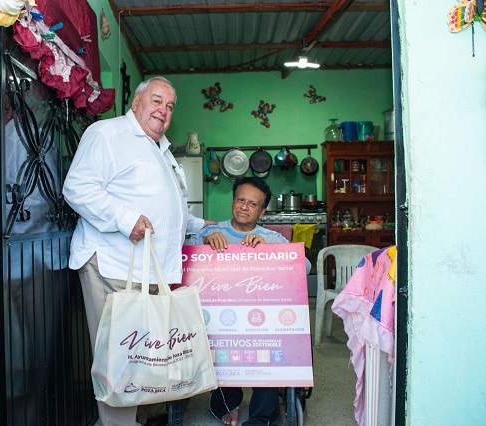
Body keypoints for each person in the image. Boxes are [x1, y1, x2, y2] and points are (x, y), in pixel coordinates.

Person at [63, 76, 213, 426]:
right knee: (119, 359)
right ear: (136, 102)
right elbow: (78, 188)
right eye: (157, 100)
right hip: (113, 266)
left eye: (170, 106)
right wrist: (125, 218)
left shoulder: (160, 149)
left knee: (140, 358)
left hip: (147, 271)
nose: (164, 110)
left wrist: (204, 226)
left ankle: (133, 421)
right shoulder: (108, 134)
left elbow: (170, 211)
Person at [189, 176, 310, 426]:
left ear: (262, 210)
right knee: (216, 343)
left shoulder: (272, 238)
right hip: (220, 318)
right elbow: (183, 257)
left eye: (252, 204)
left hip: (264, 317)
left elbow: (304, 266)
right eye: (240, 200)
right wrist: (203, 244)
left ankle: (261, 417)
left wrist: (272, 252)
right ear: (233, 202)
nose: (244, 207)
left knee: (271, 346)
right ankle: (228, 403)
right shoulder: (211, 232)